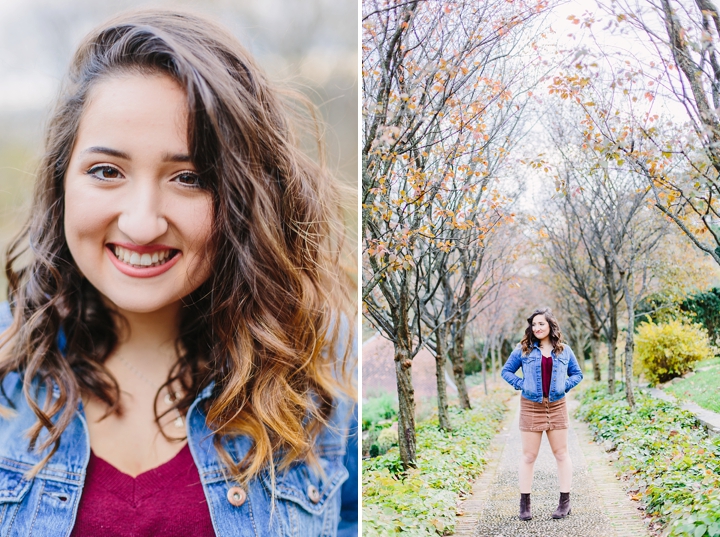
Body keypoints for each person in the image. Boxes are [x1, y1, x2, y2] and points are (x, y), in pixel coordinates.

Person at [0, 9, 357, 537]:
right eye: (107, 171)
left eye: (189, 177)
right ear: (62, 181)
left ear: (244, 198)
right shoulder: (8, 364)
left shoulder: (319, 362)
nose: (142, 222)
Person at [501, 307, 583, 521]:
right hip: (531, 406)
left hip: (557, 405)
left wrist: (564, 386)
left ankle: (565, 503)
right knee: (528, 456)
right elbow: (506, 371)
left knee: (561, 454)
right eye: (534, 324)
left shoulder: (565, 350)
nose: (536, 328)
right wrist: (522, 384)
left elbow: (577, 373)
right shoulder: (524, 349)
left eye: (541, 324)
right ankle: (524, 505)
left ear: (550, 326)